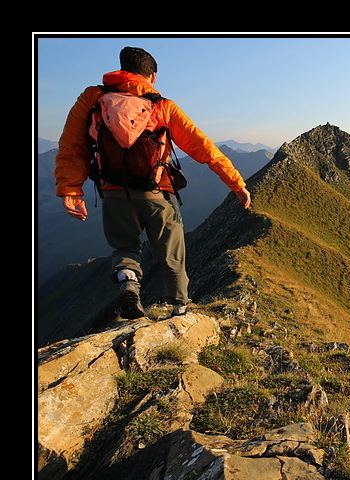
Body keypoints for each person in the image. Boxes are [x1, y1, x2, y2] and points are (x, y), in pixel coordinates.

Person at [55, 46, 251, 319]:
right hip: (157, 192)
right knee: (171, 252)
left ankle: (128, 282)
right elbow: (202, 147)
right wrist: (236, 183)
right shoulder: (162, 105)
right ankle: (179, 307)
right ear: (152, 76)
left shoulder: (93, 99)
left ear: (121, 68)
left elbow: (72, 146)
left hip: (113, 191)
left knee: (125, 247)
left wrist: (70, 188)